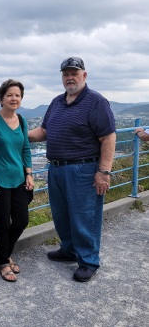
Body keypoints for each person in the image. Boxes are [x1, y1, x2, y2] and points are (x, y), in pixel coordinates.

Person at [28, 56, 116, 282]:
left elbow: (108, 137)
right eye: (66, 74)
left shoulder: (96, 101)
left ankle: (88, 261)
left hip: (83, 170)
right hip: (56, 169)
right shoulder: (57, 102)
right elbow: (44, 131)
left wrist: (104, 172)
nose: (69, 78)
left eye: (74, 73)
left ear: (84, 76)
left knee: (85, 217)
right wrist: (18, 135)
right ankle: (69, 250)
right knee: (61, 215)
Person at [0, 79, 34, 282]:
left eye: (17, 95)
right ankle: (4, 261)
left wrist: (29, 174)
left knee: (21, 220)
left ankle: (4, 253)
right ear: (1, 98)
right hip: (0, 180)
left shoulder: (21, 120)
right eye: (10, 95)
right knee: (3, 221)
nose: (14, 98)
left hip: (19, 178)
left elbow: (26, 149)